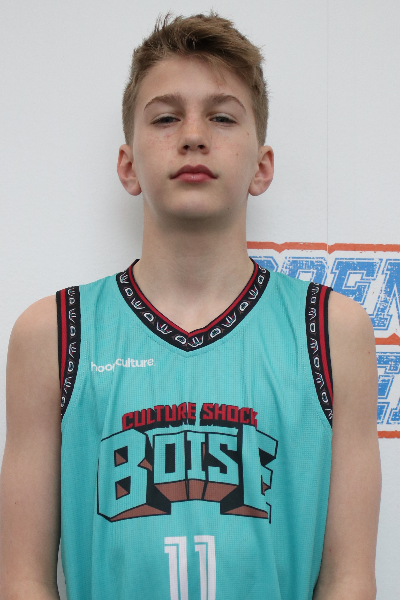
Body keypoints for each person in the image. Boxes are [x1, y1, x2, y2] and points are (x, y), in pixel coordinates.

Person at [0, 12, 380, 600]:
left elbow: (348, 579)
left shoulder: (333, 332)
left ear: (262, 166)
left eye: (222, 116)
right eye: (166, 117)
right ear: (128, 165)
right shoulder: (52, 333)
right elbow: (22, 579)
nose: (194, 135)